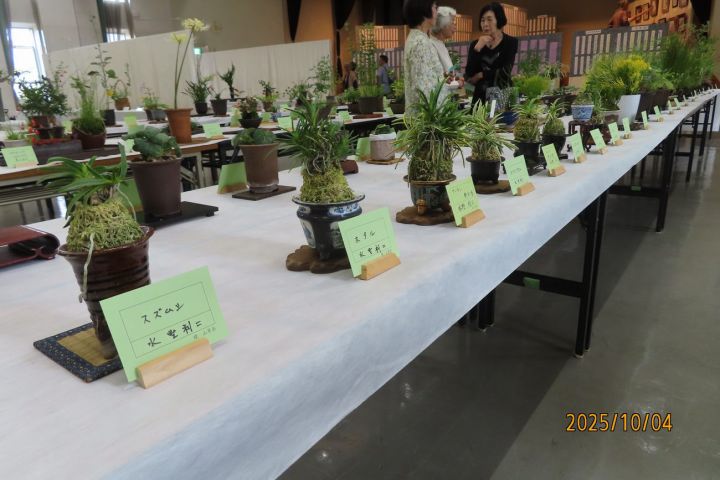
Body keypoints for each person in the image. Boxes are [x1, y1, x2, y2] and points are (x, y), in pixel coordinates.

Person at [464, 2, 518, 106]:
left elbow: (505, 71)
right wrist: (477, 49)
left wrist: (481, 75)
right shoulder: (475, 44)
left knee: (504, 117)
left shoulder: (511, 42)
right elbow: (469, 73)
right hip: (480, 98)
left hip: (503, 95)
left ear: (499, 20)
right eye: (482, 20)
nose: (485, 24)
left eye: (489, 19)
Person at [403, 0, 447, 113]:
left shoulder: (415, 38)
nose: (437, 12)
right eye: (434, 7)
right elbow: (424, 89)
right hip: (428, 118)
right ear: (424, 9)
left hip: (420, 117)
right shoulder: (420, 42)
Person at [430, 6, 464, 89]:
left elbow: (447, 75)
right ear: (443, 25)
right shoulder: (431, 45)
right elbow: (436, 82)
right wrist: (457, 84)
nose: (455, 26)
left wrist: (455, 79)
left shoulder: (440, 44)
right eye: (453, 22)